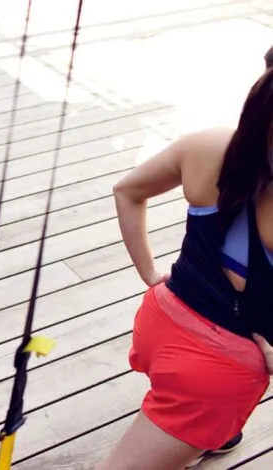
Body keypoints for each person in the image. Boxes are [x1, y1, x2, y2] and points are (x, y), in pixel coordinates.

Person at [97, 69, 273, 470]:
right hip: (220, 368)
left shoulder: (208, 144)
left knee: (182, 398)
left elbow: (127, 191)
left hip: (160, 318)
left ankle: (210, 432)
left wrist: (148, 273)